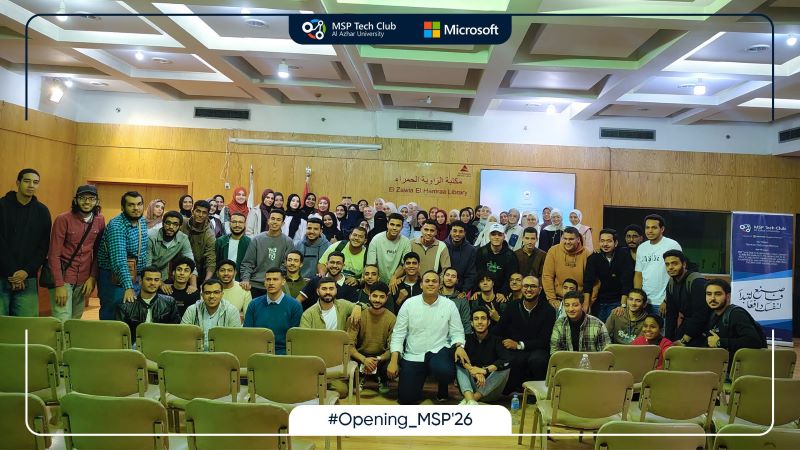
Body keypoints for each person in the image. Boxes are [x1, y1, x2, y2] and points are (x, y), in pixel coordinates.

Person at [388, 271, 469, 404]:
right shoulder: (409, 304)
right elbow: (398, 334)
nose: (431, 284)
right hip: (414, 354)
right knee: (406, 399)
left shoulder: (449, 305)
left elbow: (457, 331)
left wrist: (460, 346)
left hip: (439, 351)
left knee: (445, 372)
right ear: (421, 285)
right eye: (427, 281)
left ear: (439, 285)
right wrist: (393, 360)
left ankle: (442, 385)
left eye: (434, 281)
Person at [47, 185, 105, 321]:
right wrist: (59, 285)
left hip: (84, 280)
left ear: (97, 201)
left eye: (91, 198)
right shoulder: (63, 219)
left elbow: (98, 252)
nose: (87, 202)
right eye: (82, 198)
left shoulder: (100, 220)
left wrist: (92, 277)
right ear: (76, 200)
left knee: (74, 321)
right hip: (64, 277)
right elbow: (54, 254)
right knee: (62, 320)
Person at [0, 168, 51, 317]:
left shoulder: (42, 212)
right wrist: (13, 273)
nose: (31, 185)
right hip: (1, 275)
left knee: (26, 326)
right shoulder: (2, 206)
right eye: (27, 181)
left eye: (35, 182)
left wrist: (26, 272)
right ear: (18, 182)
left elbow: (43, 247)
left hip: (28, 278)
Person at [497, 275, 556, 391]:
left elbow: (545, 340)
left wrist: (519, 345)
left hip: (538, 349)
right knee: (511, 359)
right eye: (526, 286)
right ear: (521, 288)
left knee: (537, 360)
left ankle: (537, 393)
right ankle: (511, 392)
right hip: (515, 350)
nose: (529, 289)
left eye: (533, 286)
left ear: (540, 289)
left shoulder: (548, 310)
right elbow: (499, 329)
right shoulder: (512, 306)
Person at [97, 191, 147, 320]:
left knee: (130, 316)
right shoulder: (117, 226)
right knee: (113, 315)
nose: (136, 208)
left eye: (139, 204)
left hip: (135, 276)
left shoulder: (142, 221)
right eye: (131, 205)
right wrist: (128, 286)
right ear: (122, 207)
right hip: (113, 277)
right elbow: (119, 260)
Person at [348, 281, 395, 395]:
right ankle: (361, 377)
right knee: (347, 358)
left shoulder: (392, 318)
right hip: (360, 355)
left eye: (381, 297)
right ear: (369, 296)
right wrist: (364, 359)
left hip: (380, 357)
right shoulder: (358, 315)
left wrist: (378, 359)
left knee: (394, 360)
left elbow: (392, 347)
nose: (377, 300)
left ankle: (381, 379)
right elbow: (349, 345)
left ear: (386, 298)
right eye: (374, 296)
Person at [457, 307, 511, 405]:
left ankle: (471, 400)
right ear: (472, 323)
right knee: (459, 363)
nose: (480, 322)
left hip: (490, 391)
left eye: (483, 318)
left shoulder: (496, 340)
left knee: (506, 367)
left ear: (488, 322)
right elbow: (458, 360)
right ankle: (471, 400)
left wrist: (484, 370)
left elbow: (506, 360)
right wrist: (474, 371)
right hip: (470, 388)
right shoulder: (466, 339)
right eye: (476, 319)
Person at [703, 278, 766, 362]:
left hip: (742, 367)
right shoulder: (713, 315)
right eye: (709, 294)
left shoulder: (736, 314)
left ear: (728, 296)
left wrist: (720, 342)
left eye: (718, 294)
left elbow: (754, 341)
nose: (712, 298)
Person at [243, 268, 302, 355]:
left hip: (284, 354)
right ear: (264, 282)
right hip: (258, 353)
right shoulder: (254, 304)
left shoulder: (295, 306)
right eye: (268, 279)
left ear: (283, 281)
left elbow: (295, 339)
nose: (271, 283)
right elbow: (247, 333)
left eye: (275, 279)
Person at [239, 209, 295, 299]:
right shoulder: (257, 239)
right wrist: (245, 279)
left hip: (276, 285)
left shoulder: (288, 242)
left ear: (283, 223)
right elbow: (248, 263)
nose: (275, 222)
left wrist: (276, 281)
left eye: (278, 220)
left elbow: (286, 266)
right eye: (272, 218)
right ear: (268, 221)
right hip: (255, 284)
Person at [116, 265, 180, 341]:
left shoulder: (170, 302)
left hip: (163, 343)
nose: (152, 283)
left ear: (160, 282)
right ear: (140, 281)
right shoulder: (125, 306)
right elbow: (120, 335)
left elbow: (175, 330)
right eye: (148, 279)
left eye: (156, 280)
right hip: (135, 345)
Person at [634, 214, 682, 315]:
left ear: (662, 229)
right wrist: (637, 298)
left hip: (664, 302)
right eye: (647, 227)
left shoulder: (672, 245)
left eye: (654, 227)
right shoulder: (642, 248)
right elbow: (638, 275)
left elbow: (678, 276)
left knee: (665, 326)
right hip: (645, 302)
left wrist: (667, 300)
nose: (650, 231)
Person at [582, 228, 632, 323]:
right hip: (598, 302)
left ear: (615, 243)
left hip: (617, 302)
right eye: (602, 241)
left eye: (609, 241)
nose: (605, 244)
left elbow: (626, 282)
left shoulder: (624, 257)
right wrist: (586, 303)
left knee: (612, 329)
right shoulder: (593, 258)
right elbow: (588, 282)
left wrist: (623, 305)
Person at [664, 249, 712, 346]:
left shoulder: (696, 282)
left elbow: (701, 315)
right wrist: (667, 341)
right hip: (688, 322)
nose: (670, 267)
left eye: (674, 263)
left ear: (684, 264)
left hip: (705, 326)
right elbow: (671, 315)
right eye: (667, 264)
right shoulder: (671, 283)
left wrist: (684, 340)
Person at [181, 278, 242, 349]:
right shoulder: (192, 310)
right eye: (207, 293)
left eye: (216, 292)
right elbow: (183, 335)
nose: (212, 296)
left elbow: (235, 339)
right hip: (196, 353)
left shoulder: (231, 311)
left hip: (222, 353)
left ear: (222, 294)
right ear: (202, 295)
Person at [541, 226, 589, 312]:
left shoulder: (586, 254)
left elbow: (592, 282)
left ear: (578, 239)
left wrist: (587, 302)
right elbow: (547, 276)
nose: (567, 242)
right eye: (565, 238)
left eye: (571, 239)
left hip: (579, 301)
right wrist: (552, 299)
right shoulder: (553, 251)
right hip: (558, 299)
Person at [147, 211, 196, 286]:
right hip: (146, 275)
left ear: (180, 226)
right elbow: (147, 265)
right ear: (163, 223)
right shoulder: (151, 236)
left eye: (175, 224)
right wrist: (161, 284)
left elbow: (190, 261)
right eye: (168, 223)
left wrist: (193, 286)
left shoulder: (183, 238)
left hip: (162, 275)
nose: (171, 227)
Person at [367, 213, 411, 285]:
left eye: (398, 225)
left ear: (402, 227)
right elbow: (371, 264)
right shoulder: (376, 239)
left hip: (397, 280)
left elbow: (404, 264)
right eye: (392, 224)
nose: (394, 228)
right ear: (387, 225)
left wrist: (394, 277)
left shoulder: (406, 241)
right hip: (377, 281)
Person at [180, 200, 217, 284]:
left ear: (208, 215)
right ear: (193, 211)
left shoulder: (209, 234)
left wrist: (207, 281)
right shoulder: (182, 223)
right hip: (178, 269)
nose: (200, 215)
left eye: (204, 213)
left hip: (199, 272)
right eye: (198, 211)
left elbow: (211, 260)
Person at [475, 223, 519, 294]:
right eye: (493, 234)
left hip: (503, 293)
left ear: (504, 237)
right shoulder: (481, 252)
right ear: (489, 236)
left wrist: (503, 293)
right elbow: (478, 273)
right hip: (483, 291)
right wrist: (478, 290)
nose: (496, 237)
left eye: (499, 235)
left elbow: (511, 277)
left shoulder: (511, 255)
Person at [214, 212, 250, 279]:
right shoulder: (221, 241)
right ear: (230, 223)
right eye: (234, 222)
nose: (237, 225)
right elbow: (215, 263)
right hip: (222, 280)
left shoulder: (249, 243)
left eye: (240, 222)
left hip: (241, 281)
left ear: (245, 224)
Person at [445, 221, 477, 292]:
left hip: (461, 290)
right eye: (454, 231)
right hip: (443, 289)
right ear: (450, 232)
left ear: (464, 233)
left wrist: (464, 291)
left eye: (461, 231)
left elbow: (471, 273)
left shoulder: (471, 250)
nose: (457, 234)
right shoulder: (443, 246)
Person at [439, 267, 471, 336]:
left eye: (453, 276)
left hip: (455, 338)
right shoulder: (434, 296)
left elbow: (466, 323)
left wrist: (467, 340)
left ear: (457, 280)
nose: (449, 278)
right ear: (442, 277)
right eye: (447, 275)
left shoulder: (462, 300)